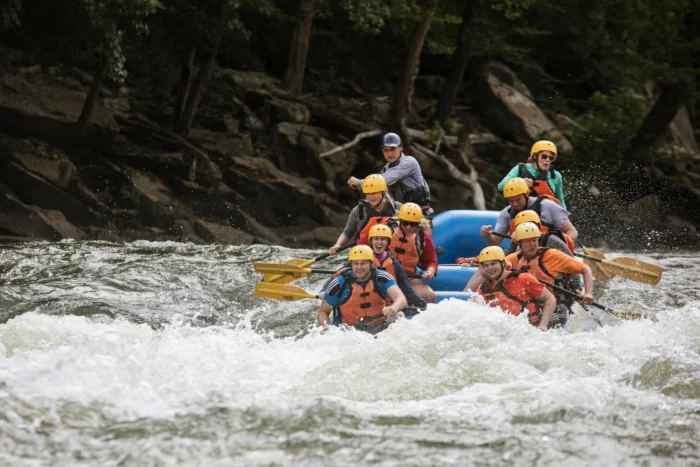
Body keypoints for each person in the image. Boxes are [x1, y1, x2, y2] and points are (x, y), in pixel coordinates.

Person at [506, 222, 594, 328]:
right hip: (530, 308)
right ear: (520, 244)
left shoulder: (552, 255)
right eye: (528, 242)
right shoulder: (514, 259)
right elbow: (490, 267)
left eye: (534, 240)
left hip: (557, 306)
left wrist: (588, 293)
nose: (533, 245)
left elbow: (585, 269)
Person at [320, 224, 427, 309]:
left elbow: (407, 289)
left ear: (388, 242)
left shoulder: (394, 264)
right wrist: (324, 290)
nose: (379, 242)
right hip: (359, 300)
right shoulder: (360, 259)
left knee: (399, 315)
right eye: (376, 239)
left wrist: (424, 305)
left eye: (383, 239)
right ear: (371, 241)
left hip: (385, 304)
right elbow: (338, 275)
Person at [317, 245, 407, 334]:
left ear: (371, 263)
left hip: (378, 327)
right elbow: (323, 312)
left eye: (363, 263)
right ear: (351, 264)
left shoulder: (382, 277)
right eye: (356, 263)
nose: (359, 267)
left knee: (399, 315)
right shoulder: (338, 283)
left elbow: (401, 298)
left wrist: (394, 308)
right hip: (348, 332)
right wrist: (326, 330)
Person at [465, 246, 556, 331]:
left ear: (503, 263)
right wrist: (482, 277)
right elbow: (467, 301)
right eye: (486, 265)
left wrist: (543, 325)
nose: (490, 268)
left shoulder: (523, 279)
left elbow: (550, 298)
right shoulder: (483, 289)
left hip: (530, 330)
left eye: (493, 263)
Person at [347, 132, 434, 218]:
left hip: (420, 212)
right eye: (386, 150)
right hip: (401, 213)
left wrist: (359, 182)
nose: (389, 154)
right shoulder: (386, 169)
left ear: (400, 148)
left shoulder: (409, 162)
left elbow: (385, 180)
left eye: (392, 149)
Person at [480, 177, 578, 247]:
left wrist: (560, 246)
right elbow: (494, 243)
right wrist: (488, 235)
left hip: (549, 252)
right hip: (521, 254)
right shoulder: (506, 213)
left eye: (518, 200)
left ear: (527, 194)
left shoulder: (547, 205)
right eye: (511, 201)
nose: (515, 204)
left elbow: (572, 231)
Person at [328, 174, 399, 255]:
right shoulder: (358, 210)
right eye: (368, 194)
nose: (371, 197)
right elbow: (348, 232)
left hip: (390, 254)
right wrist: (337, 245)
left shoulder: (397, 207)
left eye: (374, 193)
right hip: (364, 254)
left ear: (383, 192)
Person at [388, 202, 438, 303]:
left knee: (430, 295)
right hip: (383, 275)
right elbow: (363, 244)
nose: (409, 227)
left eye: (413, 224)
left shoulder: (423, 237)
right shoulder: (385, 229)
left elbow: (431, 261)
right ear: (399, 220)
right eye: (405, 223)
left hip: (408, 277)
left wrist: (430, 272)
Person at [498, 140, 567, 209]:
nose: (547, 160)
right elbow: (501, 187)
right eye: (544, 156)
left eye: (551, 158)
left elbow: (560, 201)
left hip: (546, 215)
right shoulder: (520, 169)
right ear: (535, 156)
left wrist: (565, 217)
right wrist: (520, 182)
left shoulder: (556, 175)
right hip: (522, 214)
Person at [511, 210, 575, 255]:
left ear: (538, 226)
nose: (528, 229)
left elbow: (571, 262)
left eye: (531, 225)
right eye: (523, 226)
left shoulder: (550, 239)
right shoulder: (520, 242)